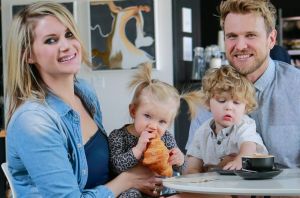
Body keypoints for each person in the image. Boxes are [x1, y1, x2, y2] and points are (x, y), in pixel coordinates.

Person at [5, 2, 163, 197]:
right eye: (50, 40)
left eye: (69, 34)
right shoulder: (33, 121)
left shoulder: (84, 92)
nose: (66, 46)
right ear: (28, 55)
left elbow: (101, 171)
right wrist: (128, 179)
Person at [187, 0, 300, 169]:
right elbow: (192, 164)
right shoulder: (210, 93)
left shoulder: (296, 87)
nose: (240, 46)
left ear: (271, 39)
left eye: (250, 35)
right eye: (232, 36)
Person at [108, 63, 203, 197]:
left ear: (169, 123)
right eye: (147, 116)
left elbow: (181, 168)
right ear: (133, 111)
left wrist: (180, 159)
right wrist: (138, 149)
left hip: (160, 189)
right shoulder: (118, 136)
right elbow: (116, 167)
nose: (153, 126)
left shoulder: (165, 138)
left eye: (162, 121)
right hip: (130, 189)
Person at [184, 65, 268, 174]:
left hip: (245, 181)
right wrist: (192, 173)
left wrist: (240, 159)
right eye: (222, 101)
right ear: (208, 103)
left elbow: (249, 146)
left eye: (236, 103)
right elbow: (193, 162)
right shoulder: (202, 131)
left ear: (245, 108)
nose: (229, 107)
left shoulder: (244, 125)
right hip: (215, 183)